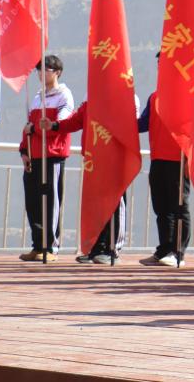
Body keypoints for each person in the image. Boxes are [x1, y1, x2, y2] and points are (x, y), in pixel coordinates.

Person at [45, 100, 130, 264]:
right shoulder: (90, 103)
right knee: (96, 207)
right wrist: (53, 125)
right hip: (93, 160)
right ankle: (96, 249)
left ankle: (112, 250)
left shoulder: (120, 99)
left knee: (114, 203)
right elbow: (74, 122)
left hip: (114, 159)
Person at [18, 56, 75, 262]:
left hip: (52, 155)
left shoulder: (64, 96)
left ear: (57, 72)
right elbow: (28, 127)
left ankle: (51, 247)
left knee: (50, 201)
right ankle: (38, 245)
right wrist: (24, 151)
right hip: (34, 156)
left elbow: (60, 125)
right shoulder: (37, 97)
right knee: (33, 202)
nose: (41, 74)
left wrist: (35, 128)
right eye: (39, 70)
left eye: (46, 70)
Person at [138, 78, 192, 267]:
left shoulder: (187, 96)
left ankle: (178, 253)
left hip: (179, 158)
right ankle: (164, 250)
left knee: (179, 206)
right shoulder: (154, 97)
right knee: (161, 208)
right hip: (158, 157)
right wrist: (119, 123)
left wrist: (191, 156)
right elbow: (143, 123)